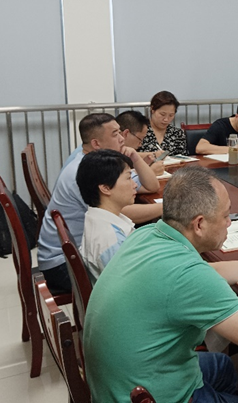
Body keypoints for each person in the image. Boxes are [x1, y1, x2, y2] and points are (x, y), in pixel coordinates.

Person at [84, 166, 238, 403]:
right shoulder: (188, 275)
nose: (229, 223)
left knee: (222, 365)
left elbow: (210, 271)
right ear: (199, 224)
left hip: (118, 379)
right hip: (149, 395)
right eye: (225, 216)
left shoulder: (148, 233)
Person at [37, 113, 162, 293]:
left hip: (81, 249)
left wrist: (134, 157)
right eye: (115, 134)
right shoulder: (85, 171)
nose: (122, 139)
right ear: (96, 143)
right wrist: (166, 208)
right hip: (62, 262)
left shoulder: (102, 164)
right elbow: (123, 211)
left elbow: (151, 186)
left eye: (120, 132)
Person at [76, 150, 136, 285]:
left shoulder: (96, 216)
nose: (135, 185)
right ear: (105, 188)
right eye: (128, 178)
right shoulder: (110, 240)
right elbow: (128, 286)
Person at [116, 110, 165, 176]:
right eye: (140, 139)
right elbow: (119, 179)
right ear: (126, 133)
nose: (140, 144)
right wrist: (148, 172)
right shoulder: (109, 156)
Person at [138, 90, 188, 155]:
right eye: (162, 114)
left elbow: (184, 157)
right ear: (152, 109)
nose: (166, 119)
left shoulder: (178, 133)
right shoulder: (139, 130)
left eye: (171, 115)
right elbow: (129, 154)